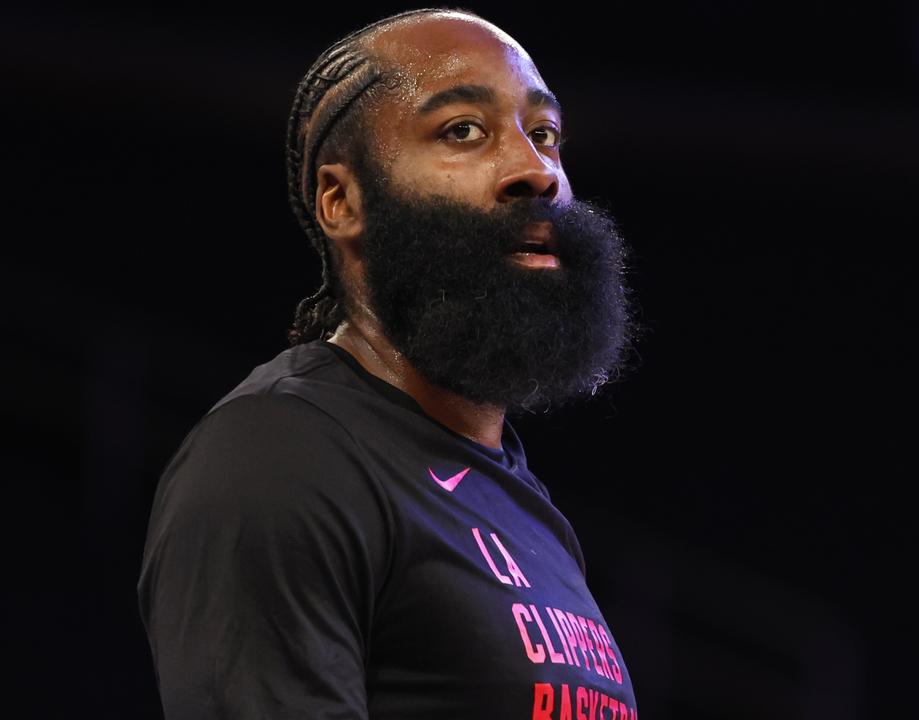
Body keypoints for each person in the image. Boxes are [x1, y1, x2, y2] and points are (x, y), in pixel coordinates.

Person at [137, 8, 639, 719]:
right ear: (342, 201)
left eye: (546, 134)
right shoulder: (280, 456)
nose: (535, 170)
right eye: (462, 130)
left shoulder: (525, 505)